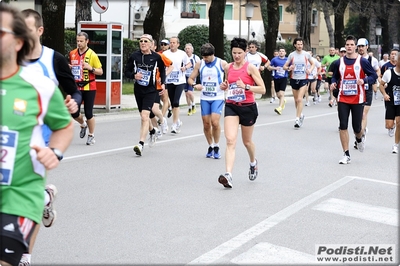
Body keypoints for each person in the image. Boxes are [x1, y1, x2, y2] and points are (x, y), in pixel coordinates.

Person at [0, 4, 73, 266]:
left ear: (18, 42)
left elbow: (64, 126)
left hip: (17, 195)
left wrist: (54, 151)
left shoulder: (39, 86)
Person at [19, 9, 81, 265]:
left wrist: (73, 104)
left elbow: (73, 91)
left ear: (40, 31)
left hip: (41, 139)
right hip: (12, 136)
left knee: (25, 198)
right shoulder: (9, 59)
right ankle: (45, 196)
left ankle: (25, 255)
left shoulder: (53, 59)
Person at [218, 37, 266, 188]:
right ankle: (228, 175)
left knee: (247, 142)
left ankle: (253, 162)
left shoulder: (250, 68)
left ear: (245, 52)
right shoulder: (228, 67)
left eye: (239, 53)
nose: (236, 56)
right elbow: (229, 83)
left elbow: (262, 89)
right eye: (234, 53)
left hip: (248, 107)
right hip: (232, 105)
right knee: (230, 140)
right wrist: (225, 85)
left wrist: (246, 87)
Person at [330, 35, 377, 164]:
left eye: (352, 45)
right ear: (345, 46)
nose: (349, 47)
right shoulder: (339, 62)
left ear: (355, 47)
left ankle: (359, 139)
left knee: (357, 128)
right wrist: (333, 83)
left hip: (358, 99)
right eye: (347, 45)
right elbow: (334, 76)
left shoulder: (362, 61)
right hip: (343, 98)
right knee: (343, 126)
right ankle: (346, 154)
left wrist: (364, 80)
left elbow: (373, 75)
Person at [124, 34, 166, 156]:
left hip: (151, 90)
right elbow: (126, 71)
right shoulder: (134, 56)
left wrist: (163, 84)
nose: (142, 43)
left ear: (151, 44)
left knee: (144, 116)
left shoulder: (156, 57)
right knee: (144, 117)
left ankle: (140, 144)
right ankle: (152, 131)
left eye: (145, 41)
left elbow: (162, 70)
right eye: (141, 41)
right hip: (138, 89)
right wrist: (134, 75)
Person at [187, 43, 228, 159]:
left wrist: (226, 84)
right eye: (203, 57)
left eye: (207, 57)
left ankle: (217, 146)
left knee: (215, 122)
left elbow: (229, 77)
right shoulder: (200, 64)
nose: (205, 59)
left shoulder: (222, 63)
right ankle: (210, 146)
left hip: (217, 97)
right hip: (205, 97)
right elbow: (190, 78)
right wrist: (195, 85)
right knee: (206, 124)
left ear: (212, 54)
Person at [69, 31, 103, 145]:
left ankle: (91, 135)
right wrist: (69, 67)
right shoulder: (72, 53)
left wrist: (91, 68)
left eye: (81, 41)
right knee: (73, 111)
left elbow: (100, 71)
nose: (79, 43)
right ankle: (83, 124)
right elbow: (71, 67)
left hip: (89, 86)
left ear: (87, 41)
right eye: (77, 41)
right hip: (76, 86)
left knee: (89, 113)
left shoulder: (92, 54)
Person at [282, 37, 315, 128]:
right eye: (298, 44)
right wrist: (289, 68)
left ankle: (297, 119)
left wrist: (310, 70)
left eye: (301, 44)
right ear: (295, 45)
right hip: (294, 78)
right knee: (296, 100)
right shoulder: (292, 55)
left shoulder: (306, 55)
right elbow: (285, 66)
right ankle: (300, 115)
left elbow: (313, 63)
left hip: (304, 79)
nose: (300, 46)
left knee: (300, 99)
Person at [354, 38, 380, 149]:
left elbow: (377, 71)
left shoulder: (372, 60)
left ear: (367, 47)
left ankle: (361, 134)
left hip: (367, 88)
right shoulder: (353, 59)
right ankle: (361, 130)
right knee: (358, 114)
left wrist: (373, 79)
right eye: (359, 46)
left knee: (364, 113)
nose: (360, 48)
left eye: (362, 46)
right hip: (355, 89)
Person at [162, 36, 191, 134]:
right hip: (169, 80)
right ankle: (177, 120)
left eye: (174, 42)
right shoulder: (165, 54)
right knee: (172, 101)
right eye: (170, 42)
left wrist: (185, 68)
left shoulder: (182, 54)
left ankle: (174, 125)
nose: (172, 44)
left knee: (175, 102)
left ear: (178, 44)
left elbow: (189, 64)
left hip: (180, 80)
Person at [379, 50, 400, 154]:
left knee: (399, 122)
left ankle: (396, 145)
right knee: (389, 125)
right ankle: (391, 127)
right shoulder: (389, 72)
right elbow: (381, 85)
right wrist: (385, 94)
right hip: (391, 101)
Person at [267, 47, 289, 115]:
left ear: (285, 53)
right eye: (280, 51)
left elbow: (291, 67)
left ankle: (279, 108)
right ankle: (283, 101)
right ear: (278, 53)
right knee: (278, 95)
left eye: (283, 51)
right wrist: (275, 68)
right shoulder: (274, 59)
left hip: (284, 78)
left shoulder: (287, 60)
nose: (281, 52)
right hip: (276, 78)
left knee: (281, 94)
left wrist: (288, 69)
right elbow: (268, 67)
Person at [184, 43, 200, 116]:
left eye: (188, 48)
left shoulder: (195, 57)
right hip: (184, 76)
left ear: (192, 50)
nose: (187, 50)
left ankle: (193, 104)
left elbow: (199, 67)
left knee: (190, 92)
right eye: (186, 49)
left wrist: (196, 74)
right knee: (186, 94)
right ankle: (189, 107)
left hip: (192, 77)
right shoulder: (183, 57)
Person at [159, 39, 172, 119]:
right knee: (163, 98)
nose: (163, 46)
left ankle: (161, 119)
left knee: (165, 98)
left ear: (169, 45)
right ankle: (169, 108)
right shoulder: (159, 54)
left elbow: (172, 65)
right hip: (161, 78)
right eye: (162, 44)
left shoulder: (171, 54)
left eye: (165, 44)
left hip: (170, 79)